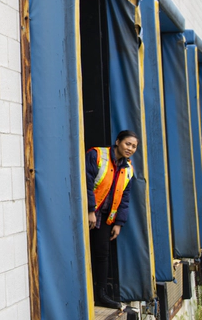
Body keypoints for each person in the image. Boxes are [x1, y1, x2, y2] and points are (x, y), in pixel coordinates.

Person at [86, 129, 138, 309]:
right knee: (82, 252)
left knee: (102, 255)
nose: (130, 148)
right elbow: (86, 182)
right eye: (127, 144)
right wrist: (90, 210)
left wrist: (119, 223)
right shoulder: (97, 155)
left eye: (134, 146)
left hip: (106, 217)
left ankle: (101, 295)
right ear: (117, 142)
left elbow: (125, 197)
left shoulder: (128, 168)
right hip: (88, 212)